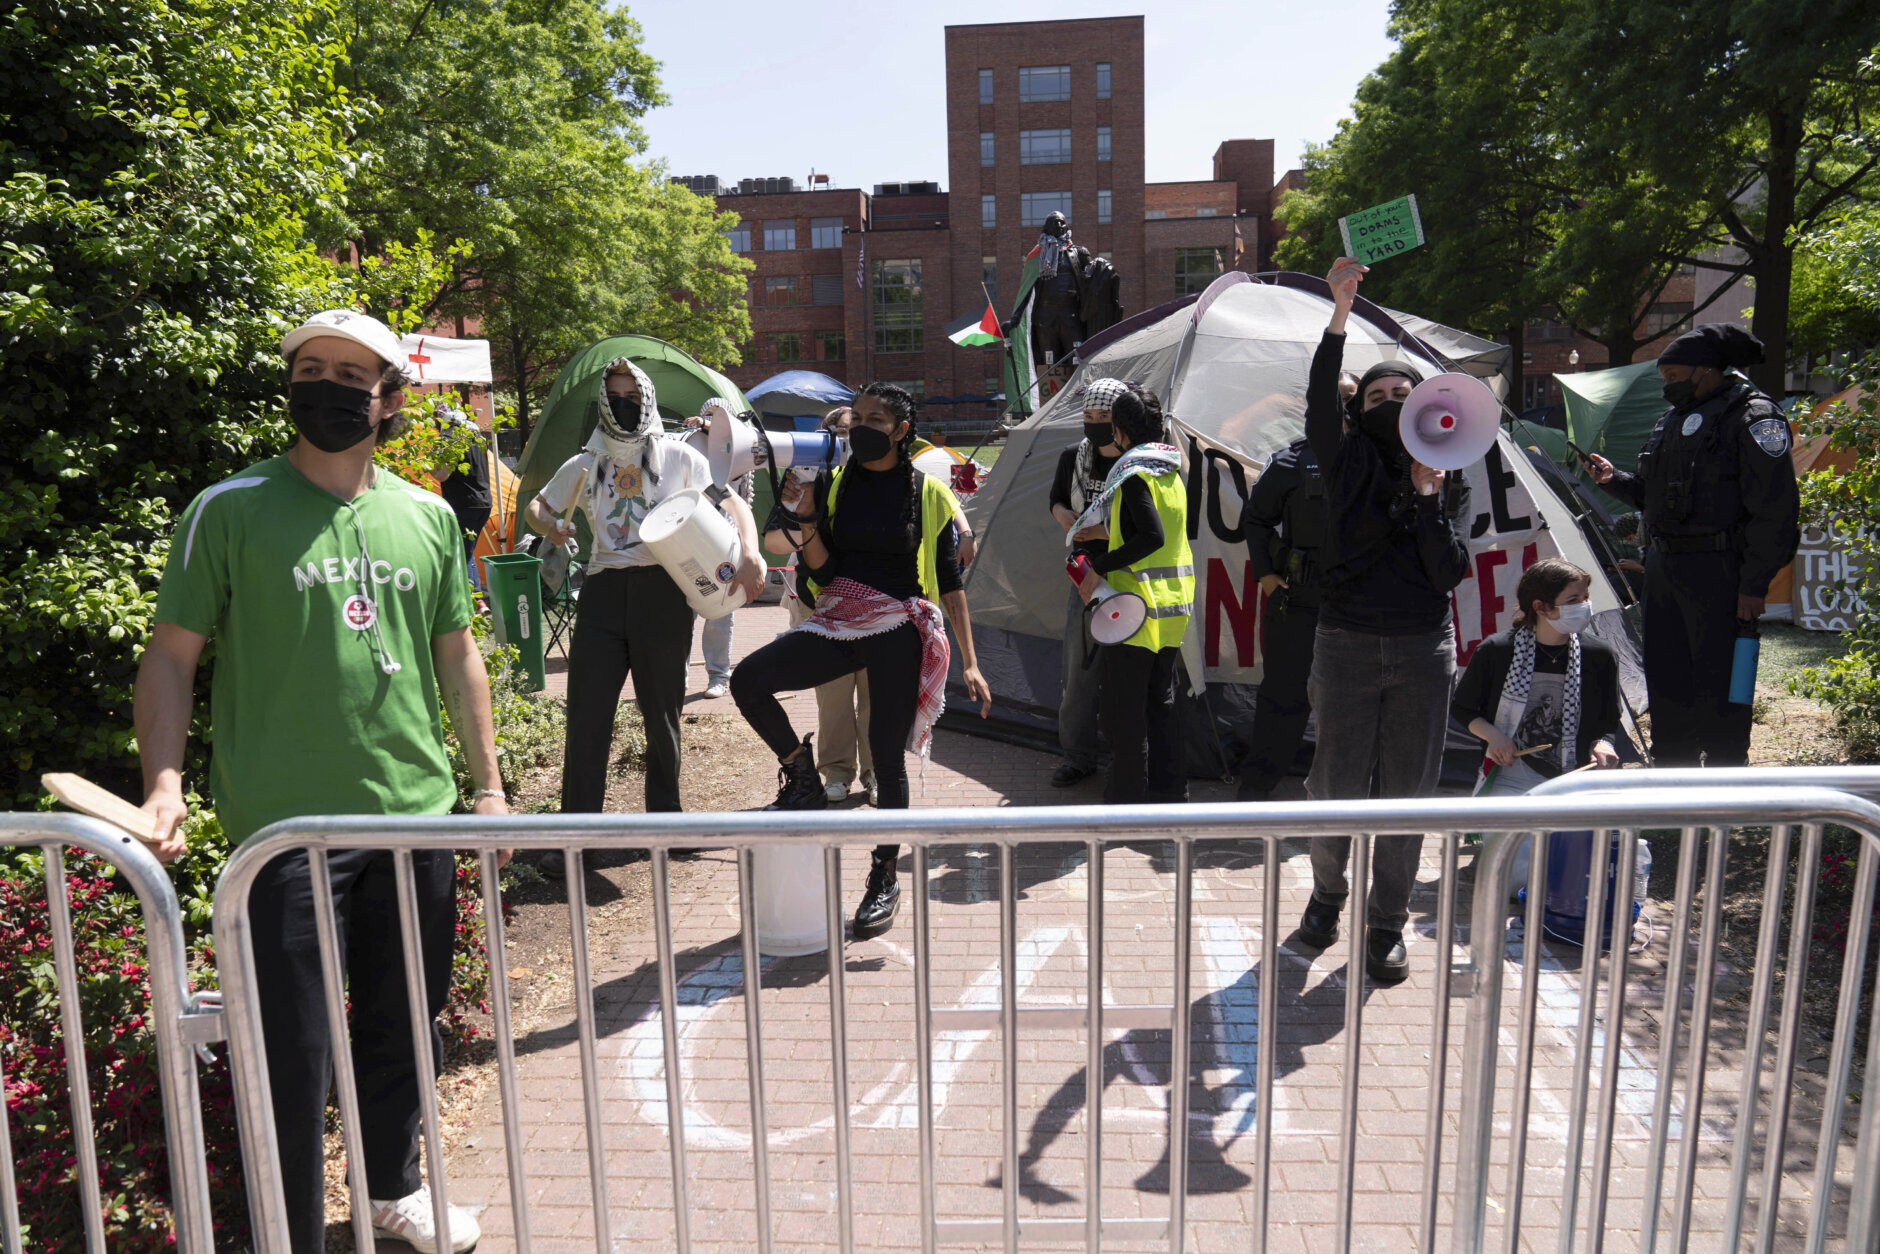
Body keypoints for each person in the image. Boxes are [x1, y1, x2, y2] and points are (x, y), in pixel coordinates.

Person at [134, 309, 506, 1254]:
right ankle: (286, 1230)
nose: (330, 386)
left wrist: (488, 790)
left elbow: (458, 656)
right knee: (288, 1053)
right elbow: (171, 657)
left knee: (403, 1026)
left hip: (415, 819)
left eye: (353, 372)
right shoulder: (229, 508)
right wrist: (163, 783)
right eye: (313, 368)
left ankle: (392, 1191)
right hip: (283, 835)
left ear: (390, 397)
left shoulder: (426, 515)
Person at [731, 383, 993, 938]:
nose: (861, 428)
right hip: (837, 617)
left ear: (902, 430)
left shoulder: (926, 491)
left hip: (898, 627)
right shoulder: (833, 483)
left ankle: (884, 875)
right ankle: (802, 775)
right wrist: (803, 525)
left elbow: (950, 583)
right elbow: (823, 572)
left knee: (887, 758)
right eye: (858, 419)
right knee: (749, 680)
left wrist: (970, 660)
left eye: (876, 419)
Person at [1298, 257, 1474, 984]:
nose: (1392, 398)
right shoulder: (1342, 461)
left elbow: (1449, 572)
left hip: (1421, 650)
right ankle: (1327, 896)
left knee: (1408, 793)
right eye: (1379, 391)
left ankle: (1385, 926)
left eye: (1404, 392)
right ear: (1360, 406)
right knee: (1333, 785)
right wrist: (1340, 314)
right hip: (1345, 643)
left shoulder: (1445, 470)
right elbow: (1316, 397)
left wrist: (1429, 500)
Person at [528, 359, 764, 822]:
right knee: (586, 718)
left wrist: (751, 554)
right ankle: (579, 832)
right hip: (600, 595)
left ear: (648, 399)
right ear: (602, 402)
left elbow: (732, 500)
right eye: (614, 397)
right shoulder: (585, 461)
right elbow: (539, 503)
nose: (623, 406)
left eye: (632, 398)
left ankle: (666, 820)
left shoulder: (678, 457)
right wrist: (551, 524)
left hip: (663, 595)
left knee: (662, 717)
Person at [1583, 324, 1800, 766]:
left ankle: (1723, 781)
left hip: (1722, 569)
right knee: (1668, 678)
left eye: (1674, 376)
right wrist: (1616, 481)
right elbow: (1659, 494)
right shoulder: (1674, 418)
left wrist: (1754, 583)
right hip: (1665, 568)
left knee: (1724, 682)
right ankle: (1672, 782)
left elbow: (1775, 510)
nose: (1668, 386)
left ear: (1706, 370)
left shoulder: (1754, 417)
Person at [1452, 557, 1623, 888]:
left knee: (1578, 875)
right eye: (1573, 600)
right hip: (1512, 778)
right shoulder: (1497, 650)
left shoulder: (1600, 655)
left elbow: (1607, 720)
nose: (1585, 606)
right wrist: (1494, 736)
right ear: (1541, 607)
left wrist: (1603, 743)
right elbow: (1463, 708)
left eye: (1586, 597)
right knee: (1517, 880)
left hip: (1574, 778)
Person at [1067, 383, 1192, 805]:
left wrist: (1098, 565)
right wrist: (1106, 532)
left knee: (1125, 710)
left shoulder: (1132, 473)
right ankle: (1171, 791)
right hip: (1172, 607)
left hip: (1134, 611)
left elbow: (1151, 537)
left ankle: (1125, 799)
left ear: (1119, 429)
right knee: (1162, 701)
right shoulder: (1168, 468)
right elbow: (1164, 531)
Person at [1236, 423, 1331, 801]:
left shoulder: (1376, 461)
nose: (1339, 409)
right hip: (1299, 598)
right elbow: (1256, 518)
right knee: (1283, 696)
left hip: (1360, 605)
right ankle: (1257, 786)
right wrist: (1266, 574)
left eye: (1349, 400)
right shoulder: (1292, 462)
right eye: (1332, 399)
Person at [1047, 376, 1127, 786]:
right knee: (1078, 672)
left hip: (1130, 578)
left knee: (1125, 675)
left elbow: (1150, 527)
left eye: (1105, 416)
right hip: (1084, 579)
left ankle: (1125, 757)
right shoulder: (1071, 458)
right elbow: (1057, 500)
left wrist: (1103, 534)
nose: (1095, 424)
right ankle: (1077, 756)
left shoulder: (1137, 463)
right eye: (1089, 415)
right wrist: (1068, 521)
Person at [683, 400, 758, 701]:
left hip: (724, 540)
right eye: (706, 414)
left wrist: (706, 425)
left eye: (717, 416)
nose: (708, 420)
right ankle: (679, 677)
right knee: (683, 612)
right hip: (691, 535)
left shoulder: (738, 450)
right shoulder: (691, 445)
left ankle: (718, 675)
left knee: (721, 612)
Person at [430, 406, 492, 580]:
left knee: (459, 554)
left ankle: (466, 598)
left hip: (463, 503)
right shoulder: (477, 437)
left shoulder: (451, 437)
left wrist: (429, 466)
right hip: (483, 502)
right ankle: (477, 600)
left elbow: (442, 474)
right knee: (466, 550)